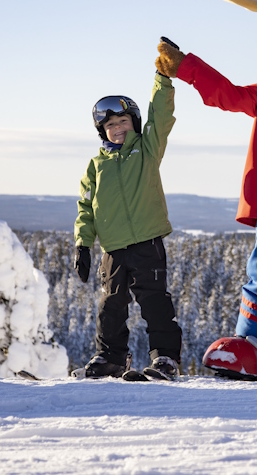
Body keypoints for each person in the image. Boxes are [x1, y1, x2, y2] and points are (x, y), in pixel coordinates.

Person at [73, 39, 183, 379]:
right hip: (112, 248)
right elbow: (86, 208)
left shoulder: (146, 150)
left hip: (147, 242)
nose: (117, 128)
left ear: (134, 122)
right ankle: (111, 359)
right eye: (110, 125)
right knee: (110, 307)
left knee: (155, 302)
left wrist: (163, 78)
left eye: (123, 121)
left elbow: (160, 116)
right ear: (102, 131)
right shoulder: (96, 166)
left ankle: (165, 359)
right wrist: (82, 245)